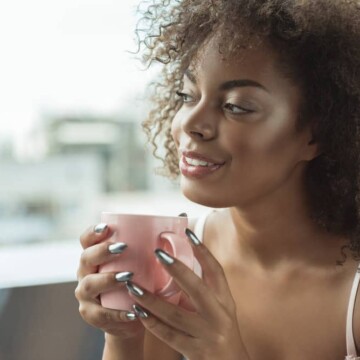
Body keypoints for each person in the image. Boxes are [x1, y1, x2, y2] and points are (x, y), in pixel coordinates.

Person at [75, 0, 360, 359]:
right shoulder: (176, 261)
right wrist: (122, 335)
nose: (192, 123)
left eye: (236, 106)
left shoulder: (353, 293)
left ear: (315, 134)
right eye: (187, 96)